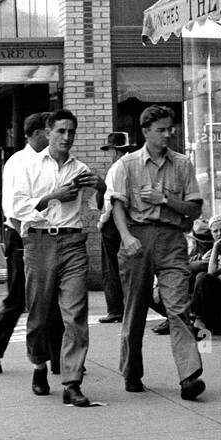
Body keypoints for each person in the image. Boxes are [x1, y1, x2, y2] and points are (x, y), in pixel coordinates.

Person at [106, 104, 206, 400]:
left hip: (172, 240)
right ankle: (132, 371)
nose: (168, 134)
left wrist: (165, 199)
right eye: (161, 130)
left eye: (170, 128)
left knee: (178, 308)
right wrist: (125, 237)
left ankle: (189, 376)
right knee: (135, 310)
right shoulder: (127, 165)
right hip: (137, 240)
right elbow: (117, 206)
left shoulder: (183, 165)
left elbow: (195, 208)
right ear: (146, 132)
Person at [10, 109, 99, 406]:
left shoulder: (80, 168)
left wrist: (99, 188)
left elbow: (95, 210)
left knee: (75, 315)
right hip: (39, 242)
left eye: (71, 132)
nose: (67, 137)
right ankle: (38, 365)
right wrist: (53, 197)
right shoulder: (28, 166)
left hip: (73, 241)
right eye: (61, 131)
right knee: (39, 313)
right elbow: (16, 208)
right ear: (47, 133)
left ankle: (72, 383)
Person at [0, 114, 63, 375]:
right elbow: (13, 208)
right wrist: (25, 237)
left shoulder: (53, 161)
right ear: (39, 133)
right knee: (18, 297)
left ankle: (58, 356)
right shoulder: (19, 162)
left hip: (51, 234)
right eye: (50, 132)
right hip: (23, 233)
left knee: (51, 298)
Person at [96, 132, 131, 323]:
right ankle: (125, 306)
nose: (109, 154)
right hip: (131, 218)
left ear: (116, 150)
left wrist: (102, 220)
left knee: (110, 265)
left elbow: (110, 198)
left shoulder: (116, 168)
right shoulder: (134, 163)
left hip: (114, 220)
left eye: (110, 150)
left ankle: (115, 308)